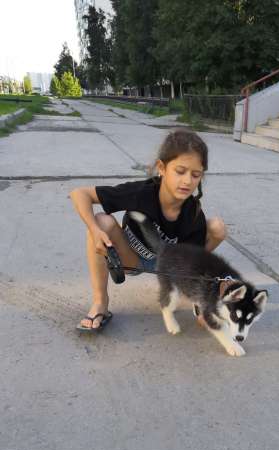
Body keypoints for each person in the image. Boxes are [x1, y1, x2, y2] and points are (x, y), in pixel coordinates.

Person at [70, 129, 227, 332]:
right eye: (180, 171)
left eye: (195, 175)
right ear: (162, 167)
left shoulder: (193, 215)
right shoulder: (140, 193)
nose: (188, 181)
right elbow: (79, 194)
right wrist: (94, 230)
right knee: (101, 222)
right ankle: (100, 302)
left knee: (217, 228)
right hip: (131, 259)